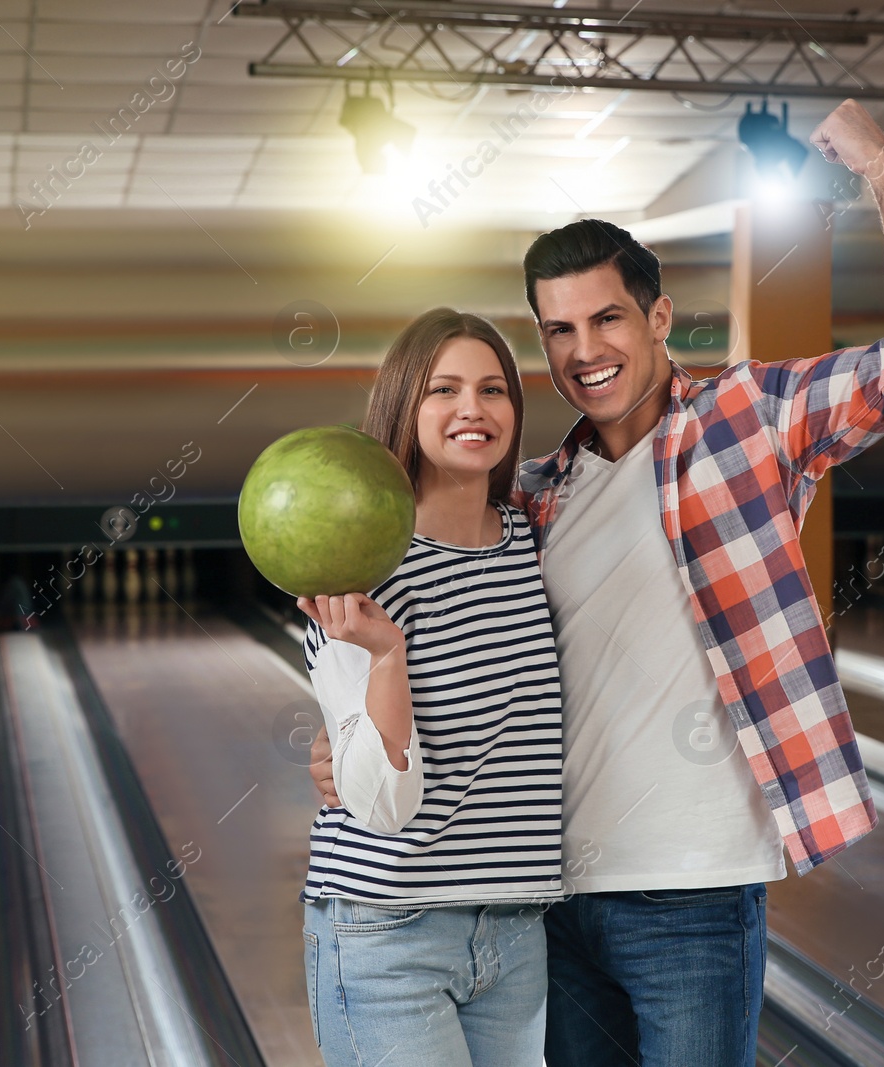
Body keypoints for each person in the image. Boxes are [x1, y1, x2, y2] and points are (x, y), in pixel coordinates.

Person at [313, 98, 884, 1066]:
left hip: (694, 887)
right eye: (558, 330)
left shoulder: (749, 422)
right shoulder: (530, 501)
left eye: (608, 318)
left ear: (659, 315)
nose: (585, 351)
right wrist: (348, 745)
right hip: (544, 896)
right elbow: (443, 649)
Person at [297, 307, 564, 1067]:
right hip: (387, 929)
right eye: (443, 390)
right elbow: (381, 802)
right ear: (402, 408)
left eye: (493, 389)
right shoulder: (358, 568)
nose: (472, 409)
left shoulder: (533, 545)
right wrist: (386, 656)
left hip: (515, 930)